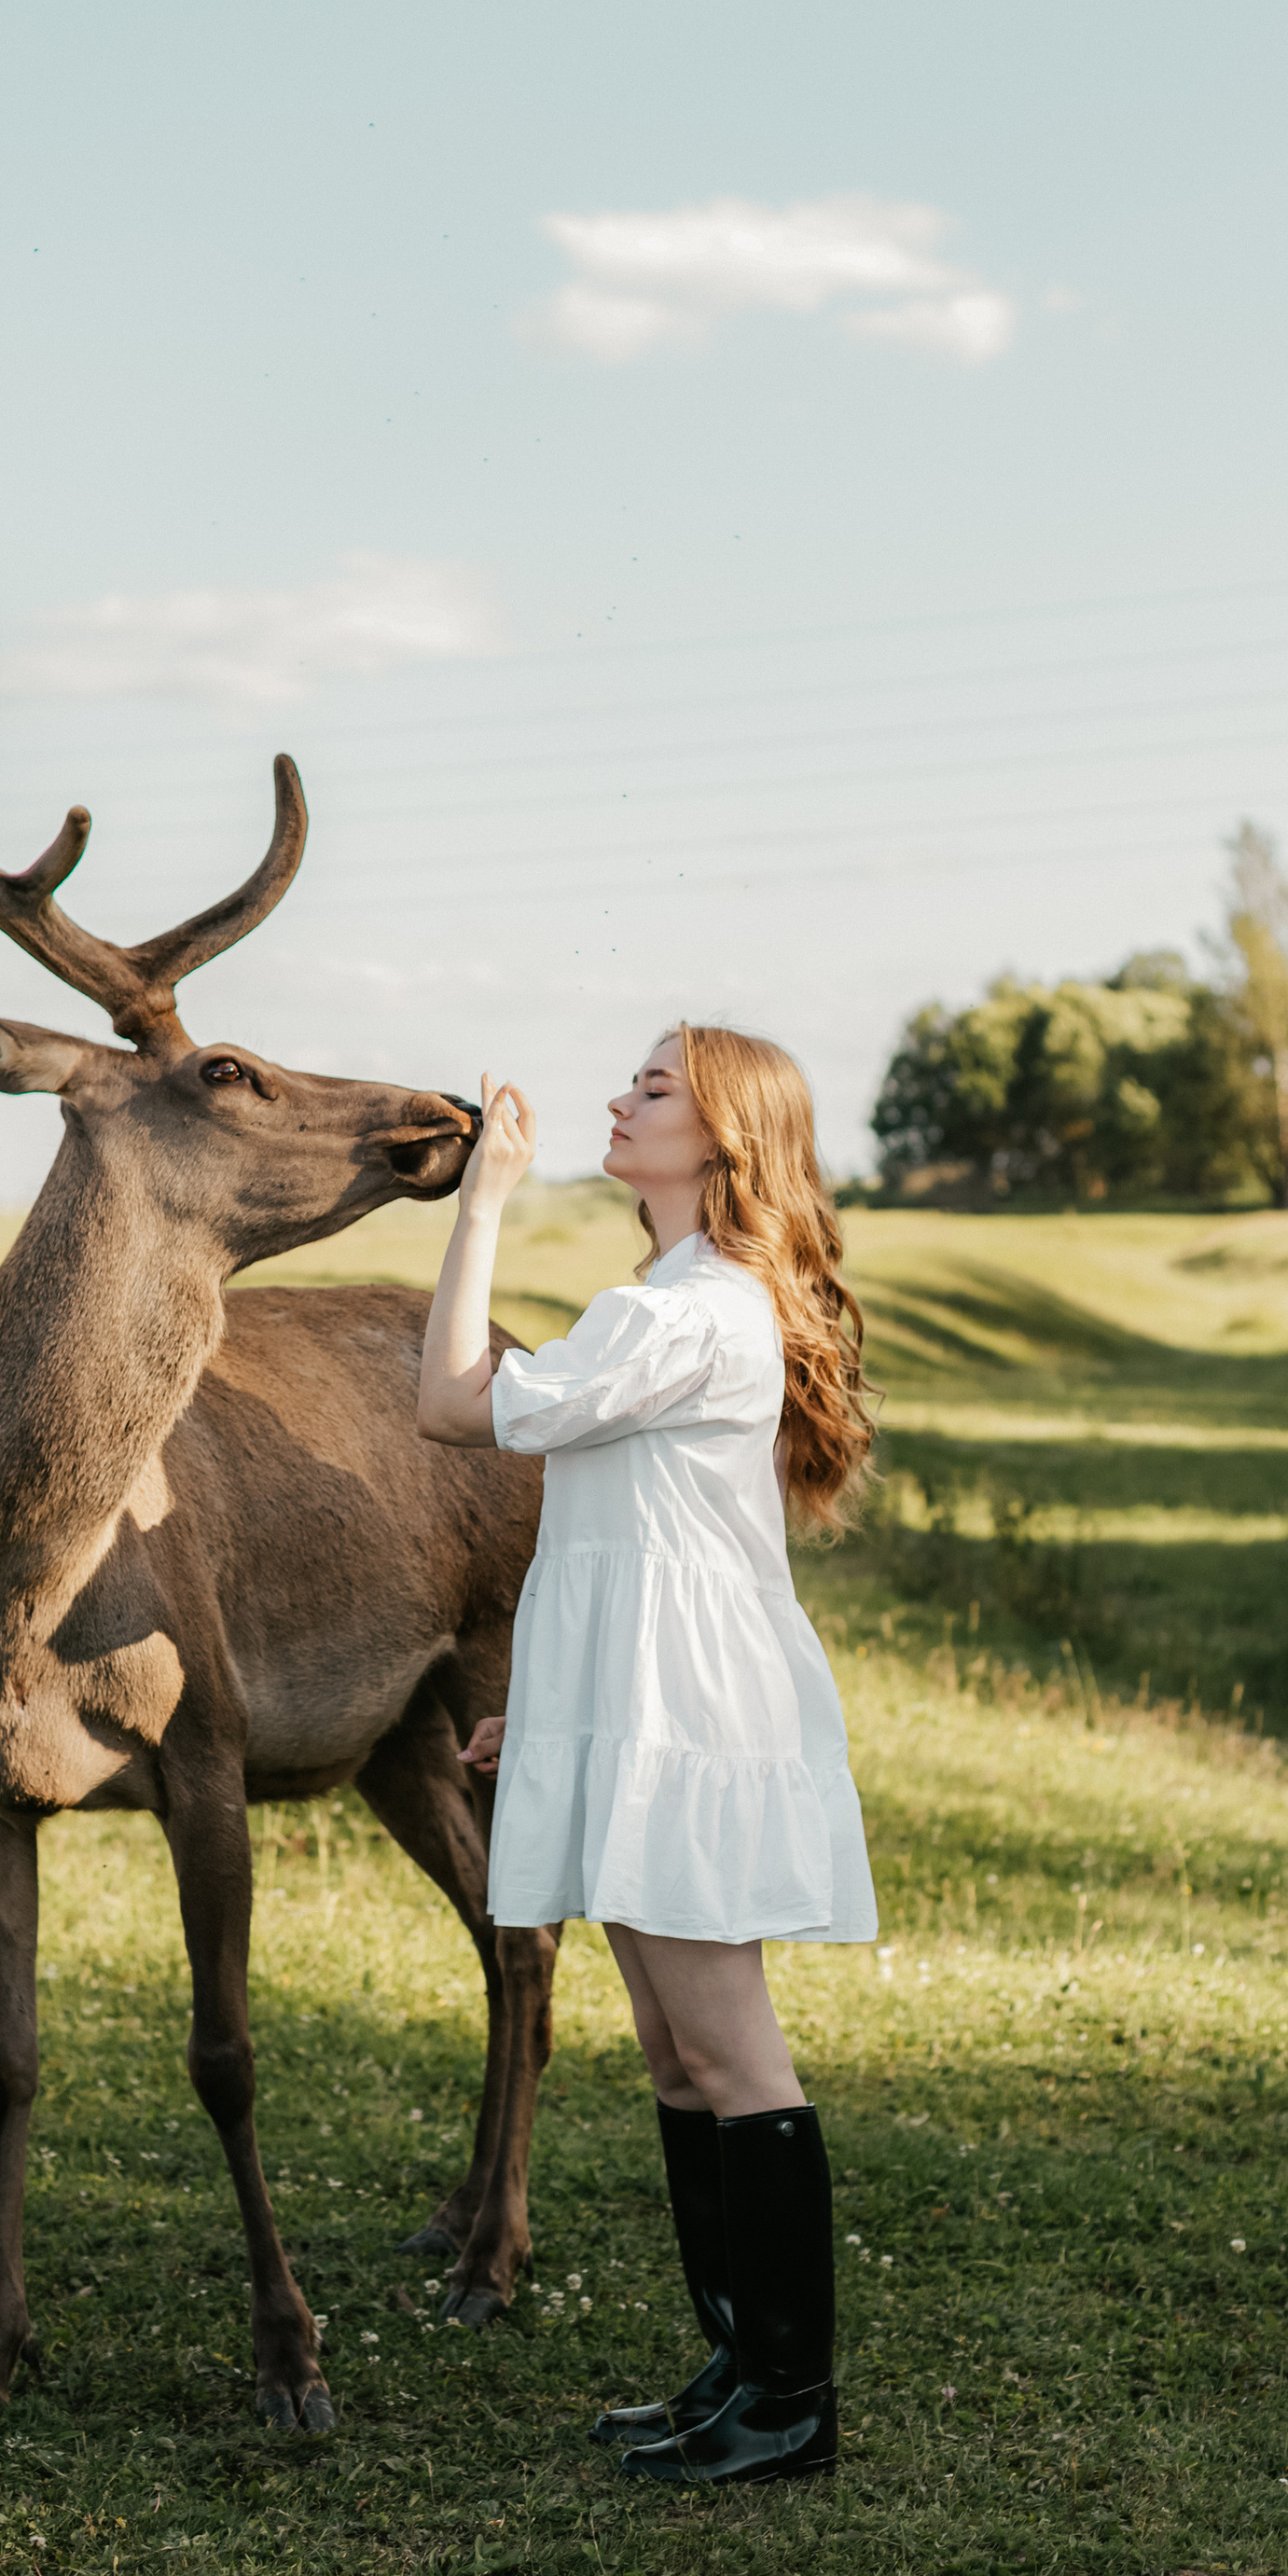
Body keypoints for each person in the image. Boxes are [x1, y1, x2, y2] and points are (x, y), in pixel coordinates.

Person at [417, 1024, 876, 2486]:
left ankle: (789, 2402)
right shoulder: (675, 1301)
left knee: (728, 2046)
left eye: (654, 1086)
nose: (621, 1099)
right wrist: (548, 1717)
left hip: (688, 1714)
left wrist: (482, 1203)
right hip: (641, 1701)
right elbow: (620, 1543)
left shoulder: (685, 1314)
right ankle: (738, 2366)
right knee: (679, 2058)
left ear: (724, 1137)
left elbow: (450, 1403)